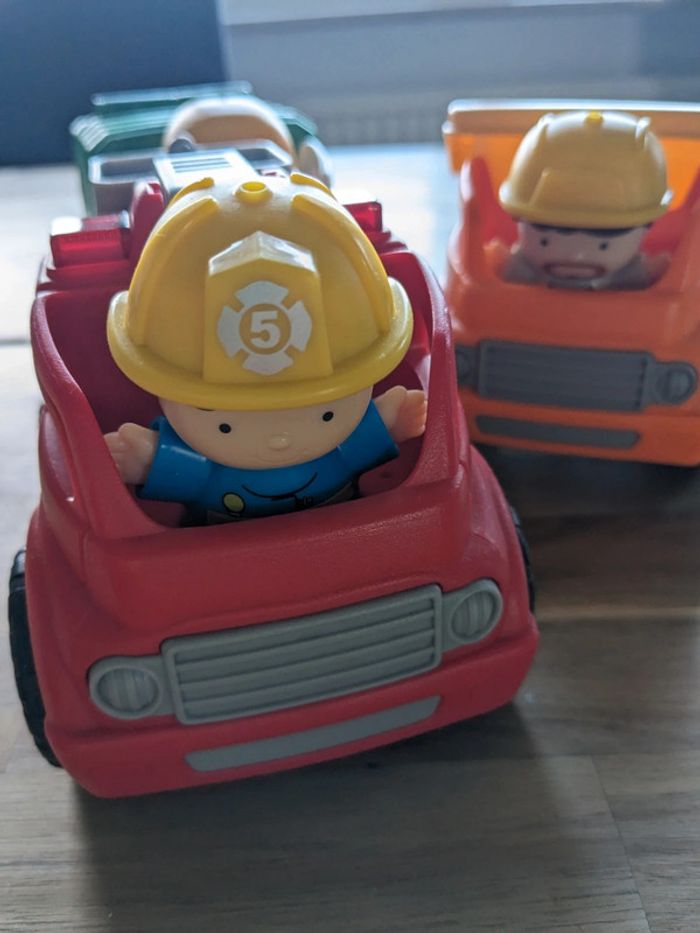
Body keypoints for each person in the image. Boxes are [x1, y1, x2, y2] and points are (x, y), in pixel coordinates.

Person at [104, 173, 426, 521]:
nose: (279, 440)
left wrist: (393, 420)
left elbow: (361, 440)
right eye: (225, 426)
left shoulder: (342, 444)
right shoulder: (201, 465)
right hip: (222, 546)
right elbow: (181, 470)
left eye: (326, 414)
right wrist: (144, 460)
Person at [500, 110, 672, 290]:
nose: (576, 257)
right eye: (545, 241)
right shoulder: (521, 270)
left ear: (646, 227)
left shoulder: (631, 276)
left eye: (603, 246)